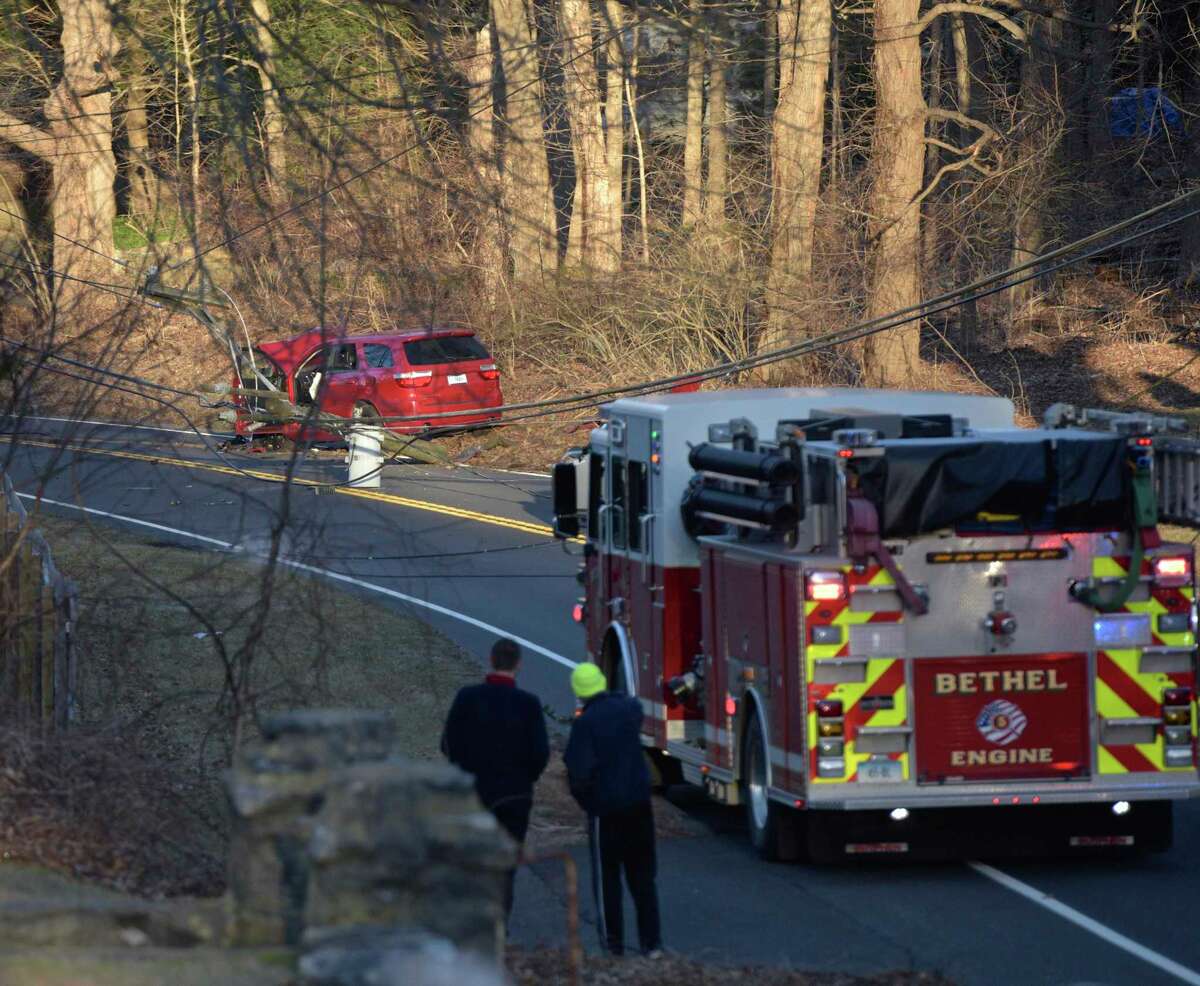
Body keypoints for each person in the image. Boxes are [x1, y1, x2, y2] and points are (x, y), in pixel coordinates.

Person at [441, 638, 550, 919]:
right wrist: (526, 779)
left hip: (474, 794)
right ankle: (499, 925)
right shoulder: (528, 704)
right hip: (514, 796)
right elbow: (540, 753)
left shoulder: (467, 698)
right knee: (505, 867)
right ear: (518, 665)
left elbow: (448, 744)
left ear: (491, 660)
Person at [564, 662, 663, 958]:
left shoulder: (585, 724)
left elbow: (579, 773)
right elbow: (635, 705)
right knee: (643, 878)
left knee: (608, 880)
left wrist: (589, 804)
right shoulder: (628, 710)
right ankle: (652, 944)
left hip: (605, 811)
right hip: (639, 805)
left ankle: (613, 945)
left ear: (579, 692)